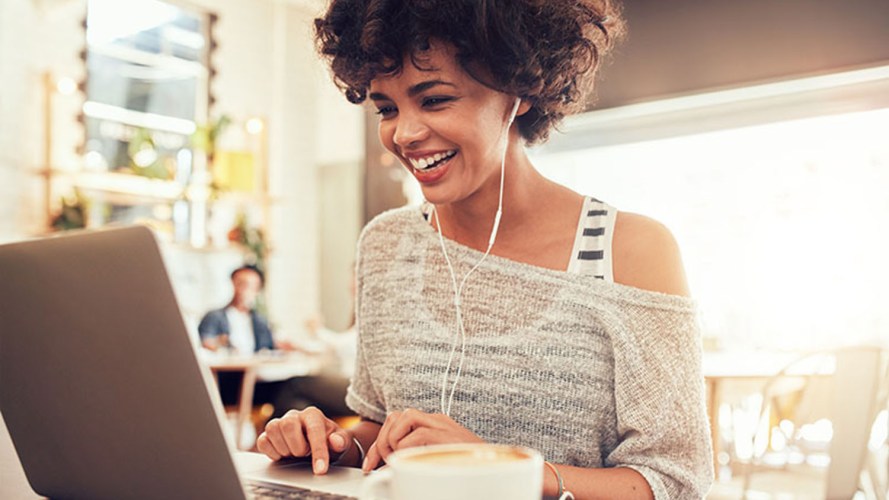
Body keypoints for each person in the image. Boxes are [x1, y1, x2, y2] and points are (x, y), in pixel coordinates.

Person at [257, 1, 714, 498]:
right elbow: (383, 437)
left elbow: (675, 481)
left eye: (433, 100)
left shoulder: (628, 250)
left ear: (517, 90)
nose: (404, 134)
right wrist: (331, 444)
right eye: (386, 108)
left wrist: (498, 468)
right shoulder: (386, 246)